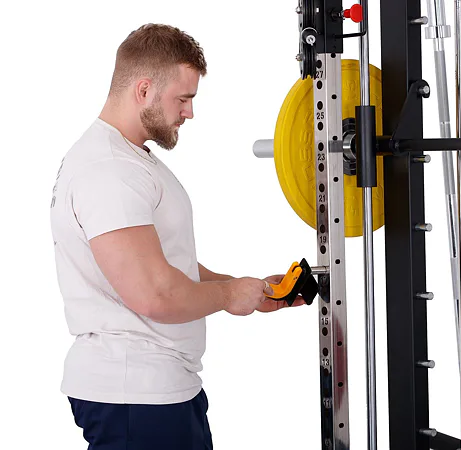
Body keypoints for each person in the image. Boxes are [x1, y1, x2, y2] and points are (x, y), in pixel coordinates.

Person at [50, 23, 305, 449]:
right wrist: (228, 297)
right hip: (135, 394)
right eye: (183, 99)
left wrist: (249, 289)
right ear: (144, 90)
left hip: (158, 389)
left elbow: (166, 264)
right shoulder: (109, 169)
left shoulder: (128, 159)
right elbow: (155, 294)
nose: (189, 112)